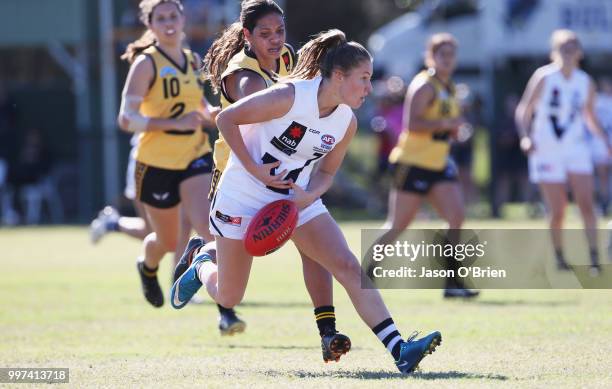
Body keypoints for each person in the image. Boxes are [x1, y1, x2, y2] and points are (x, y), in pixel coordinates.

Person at [171, 29, 442, 374]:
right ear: (339, 76)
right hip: (242, 194)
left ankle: (400, 349)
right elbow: (226, 119)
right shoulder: (289, 96)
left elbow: (326, 173)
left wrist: (307, 195)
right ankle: (200, 263)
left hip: (293, 199)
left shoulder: (346, 121)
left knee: (346, 266)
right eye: (364, 79)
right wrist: (254, 169)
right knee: (229, 296)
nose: (369, 88)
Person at [175, 0, 351, 357]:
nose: (275, 40)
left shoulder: (287, 58)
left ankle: (327, 332)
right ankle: (205, 263)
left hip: (282, 169)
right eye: (265, 34)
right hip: (239, 171)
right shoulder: (244, 74)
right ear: (247, 37)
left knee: (312, 247)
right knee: (234, 286)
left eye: (280, 31)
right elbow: (266, 115)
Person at [116, 0, 219, 308]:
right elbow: (126, 118)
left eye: (173, 15)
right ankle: (147, 268)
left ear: (183, 18)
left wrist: (212, 113)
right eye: (160, 18)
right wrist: (173, 123)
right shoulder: (145, 63)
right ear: (150, 25)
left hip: (193, 152)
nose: (168, 22)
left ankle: (224, 304)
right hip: (156, 161)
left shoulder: (191, 58)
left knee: (206, 226)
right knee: (168, 240)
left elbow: (197, 104)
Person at [371, 33, 477, 298]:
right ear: (431, 57)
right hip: (413, 162)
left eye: (452, 54)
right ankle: (364, 272)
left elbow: (446, 125)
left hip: (438, 163)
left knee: (456, 217)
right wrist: (446, 125)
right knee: (398, 225)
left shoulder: (449, 86)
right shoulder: (425, 85)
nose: (448, 59)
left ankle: (452, 282)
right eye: (442, 54)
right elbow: (413, 124)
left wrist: (455, 131)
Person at [515, 29, 608, 275]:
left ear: (579, 52)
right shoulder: (544, 77)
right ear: (555, 51)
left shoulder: (584, 81)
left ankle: (594, 257)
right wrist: (525, 137)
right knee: (558, 209)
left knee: (587, 203)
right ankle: (559, 256)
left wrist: (606, 141)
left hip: (575, 148)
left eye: (572, 48)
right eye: (563, 48)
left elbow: (590, 116)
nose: (568, 53)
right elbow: (524, 109)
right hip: (547, 148)